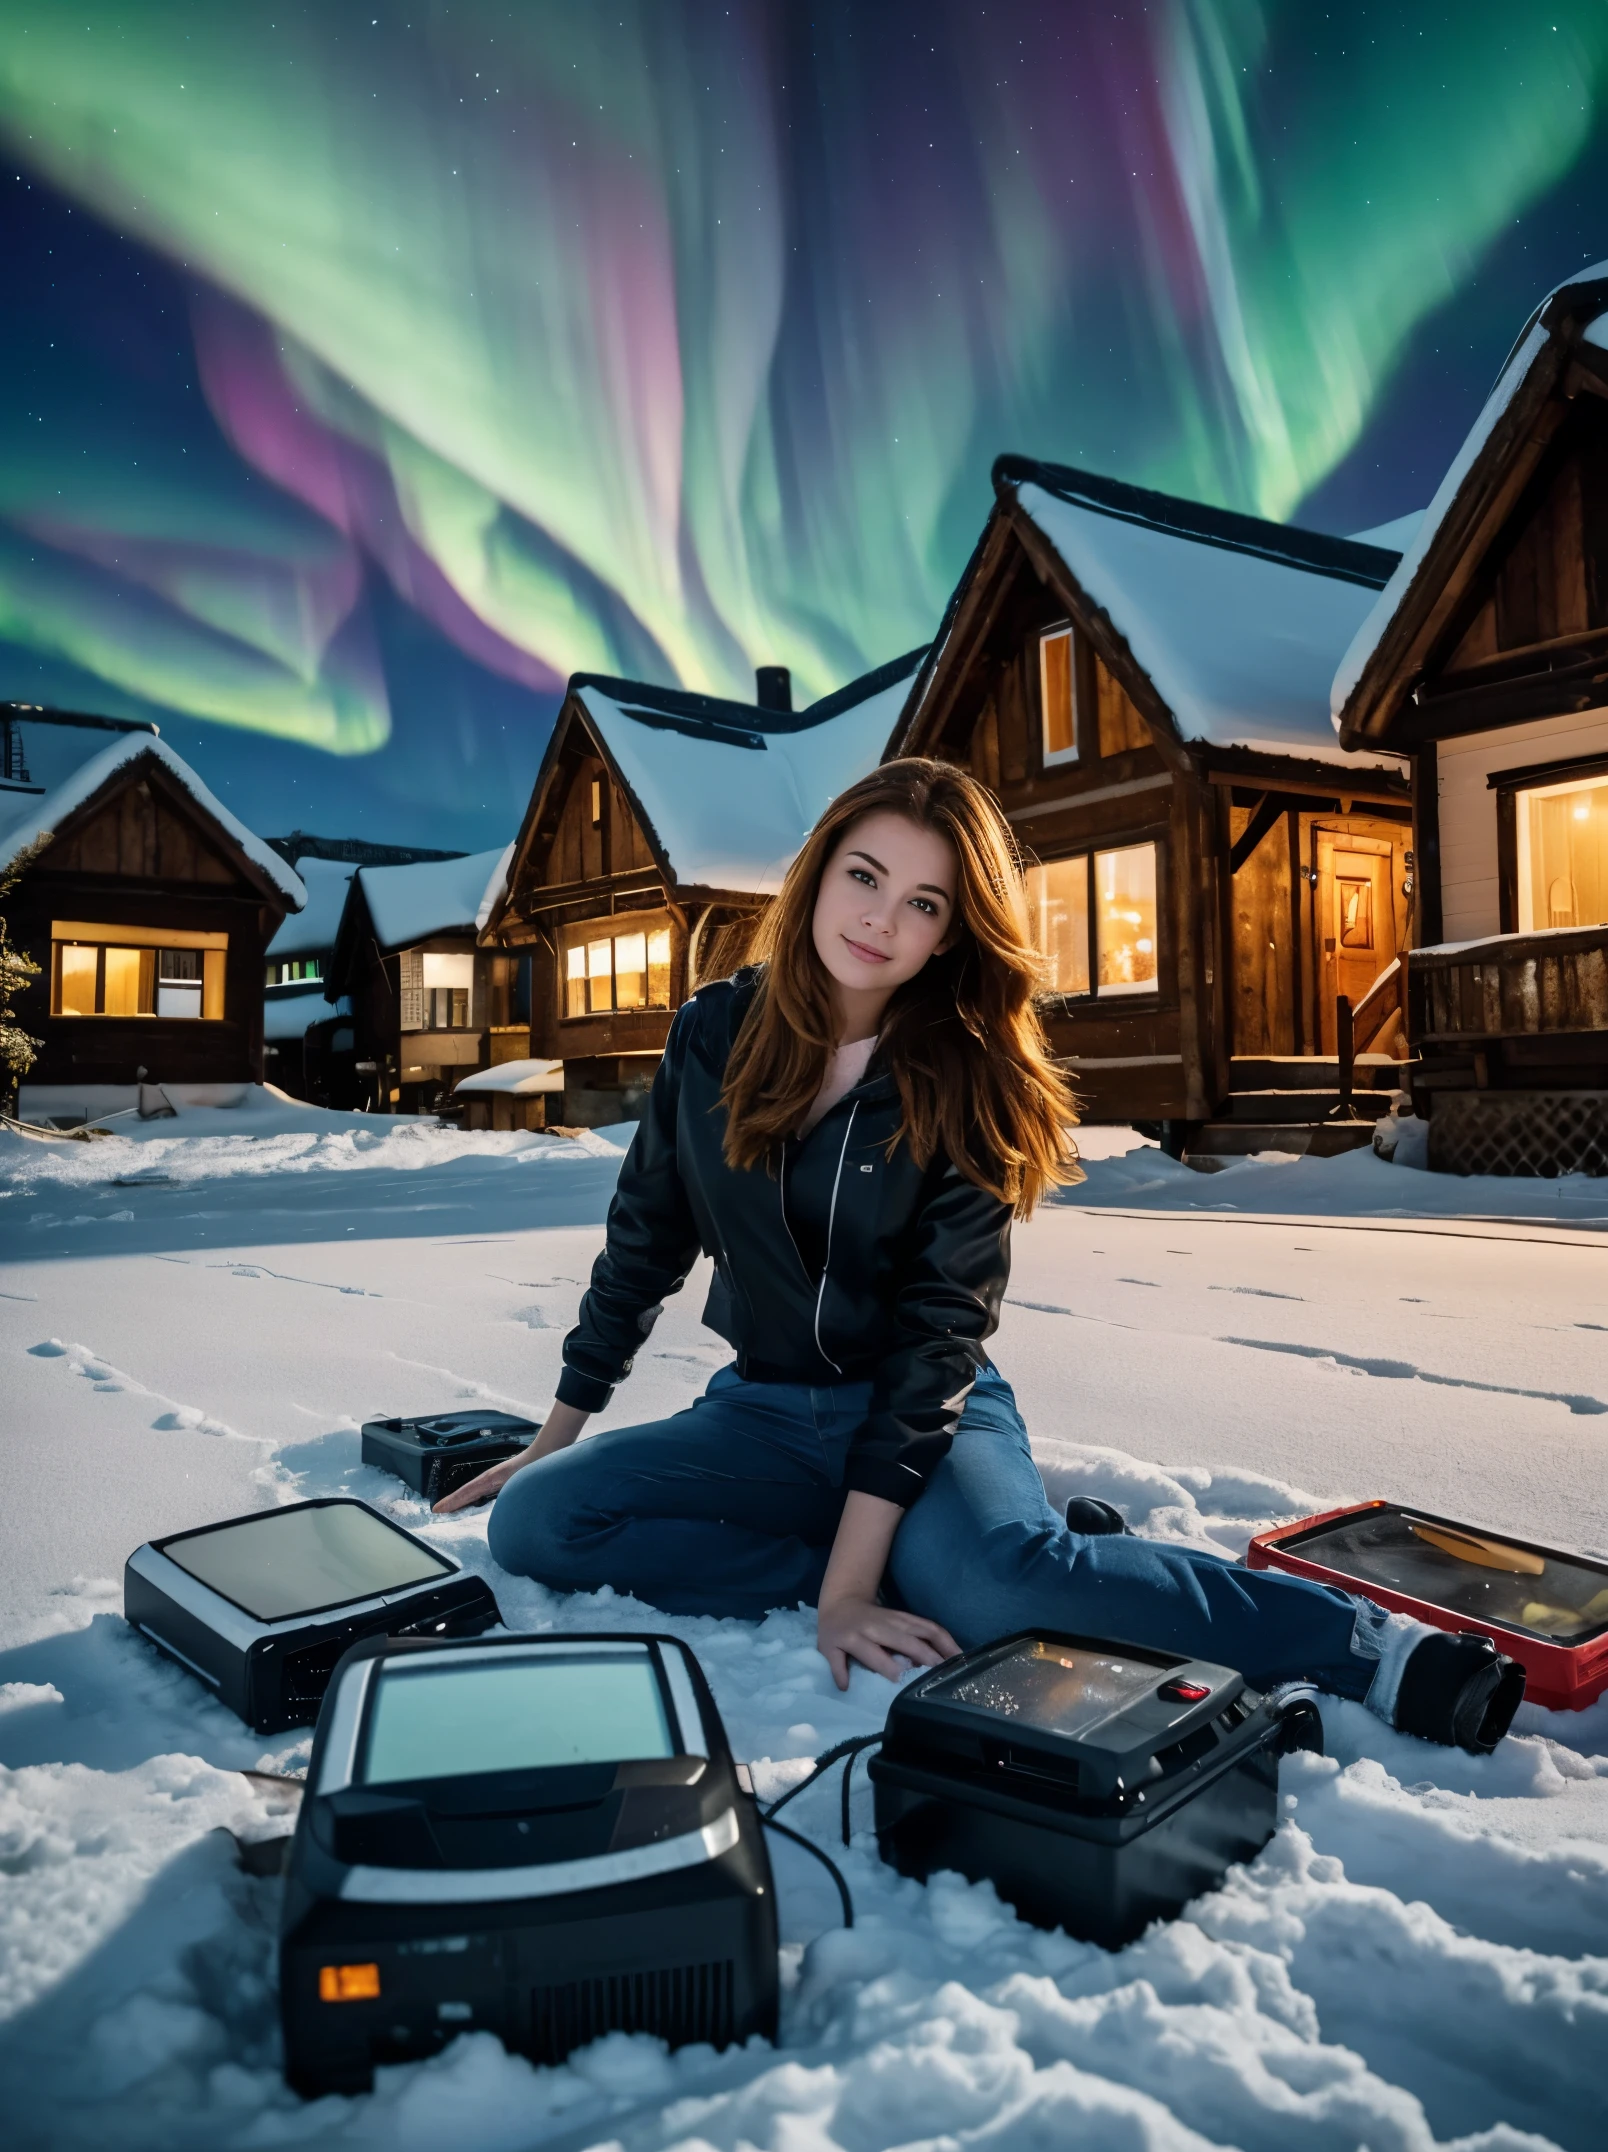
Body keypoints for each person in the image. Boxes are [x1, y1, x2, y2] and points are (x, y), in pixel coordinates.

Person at [439, 759, 1522, 1755]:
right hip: (765, 1408)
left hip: (924, 1409)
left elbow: (937, 1339)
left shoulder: (967, 1077)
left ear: (954, 932)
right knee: (544, 1519)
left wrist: (869, 1582)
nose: (881, 919)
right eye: (865, 876)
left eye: (924, 903)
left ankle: (1361, 1642)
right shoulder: (713, 1032)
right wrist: (557, 1433)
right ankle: (932, 1564)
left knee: (1002, 1593)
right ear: (817, 873)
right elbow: (645, 1237)